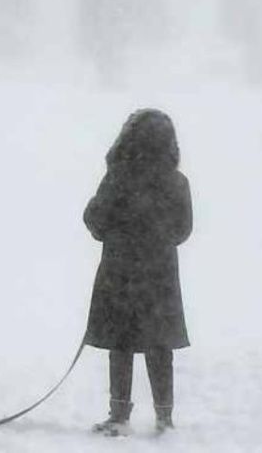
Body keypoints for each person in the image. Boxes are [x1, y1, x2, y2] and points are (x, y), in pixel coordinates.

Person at [83, 109, 193, 436]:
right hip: (159, 276)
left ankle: (118, 415)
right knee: (160, 345)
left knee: (121, 343)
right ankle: (164, 418)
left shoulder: (118, 177)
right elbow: (183, 230)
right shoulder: (177, 182)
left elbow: (96, 221)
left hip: (119, 273)